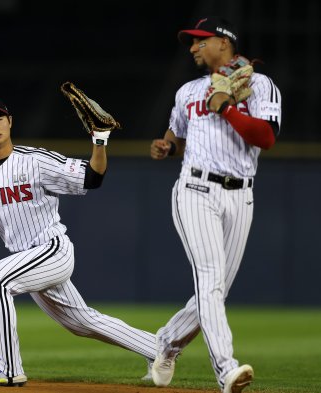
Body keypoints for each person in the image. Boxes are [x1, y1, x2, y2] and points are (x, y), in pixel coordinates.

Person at [0, 96, 157, 386]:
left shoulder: (35, 160)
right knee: (81, 322)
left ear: (10, 123)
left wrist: (99, 140)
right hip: (28, 260)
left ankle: (7, 368)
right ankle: (158, 349)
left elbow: (92, 177)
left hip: (52, 250)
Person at [147, 17, 282, 393]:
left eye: (199, 41)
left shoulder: (258, 84)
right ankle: (226, 370)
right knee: (209, 281)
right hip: (195, 190)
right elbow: (176, 131)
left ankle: (166, 343)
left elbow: (267, 138)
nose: (192, 48)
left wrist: (227, 108)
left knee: (215, 291)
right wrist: (168, 145)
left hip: (241, 195)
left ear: (224, 43)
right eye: (190, 42)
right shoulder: (187, 91)